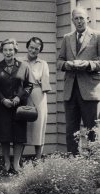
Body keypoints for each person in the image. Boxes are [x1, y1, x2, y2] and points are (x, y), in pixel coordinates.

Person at [57, 7, 100, 155]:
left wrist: (88, 64)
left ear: (87, 18)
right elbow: (59, 61)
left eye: (82, 18)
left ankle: (93, 164)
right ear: (72, 20)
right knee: (71, 131)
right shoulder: (67, 38)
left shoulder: (97, 36)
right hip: (70, 91)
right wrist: (66, 65)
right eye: (77, 18)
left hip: (89, 90)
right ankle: (73, 163)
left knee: (91, 130)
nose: (80, 21)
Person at [0, 39, 33, 172]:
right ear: (2, 51)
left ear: (15, 51)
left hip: (19, 107)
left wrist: (18, 97)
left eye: (11, 50)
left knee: (19, 135)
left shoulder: (24, 66)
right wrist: (3, 100)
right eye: (5, 50)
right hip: (3, 107)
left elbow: (29, 85)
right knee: (5, 135)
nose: (8, 52)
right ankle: (7, 163)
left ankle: (16, 163)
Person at [20, 37, 51, 160]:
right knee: (22, 125)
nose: (33, 50)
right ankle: (19, 159)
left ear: (40, 51)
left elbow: (45, 84)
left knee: (39, 125)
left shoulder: (43, 64)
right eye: (31, 47)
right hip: (23, 95)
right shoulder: (20, 61)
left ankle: (38, 159)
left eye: (36, 49)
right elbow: (18, 80)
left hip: (38, 95)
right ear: (27, 47)